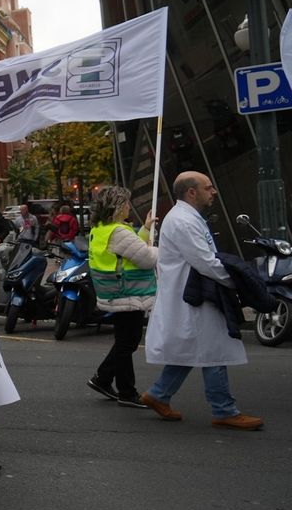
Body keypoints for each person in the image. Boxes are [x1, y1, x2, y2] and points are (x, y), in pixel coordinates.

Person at [140, 172, 263, 430]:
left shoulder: (185, 217)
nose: (213, 191)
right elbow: (205, 261)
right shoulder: (184, 221)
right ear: (192, 192)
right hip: (195, 295)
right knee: (213, 350)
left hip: (193, 294)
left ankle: (159, 394)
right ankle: (224, 410)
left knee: (192, 350)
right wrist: (237, 281)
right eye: (208, 187)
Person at [85, 187, 157, 409]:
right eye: (126, 203)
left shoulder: (101, 229)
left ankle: (103, 378)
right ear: (116, 207)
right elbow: (147, 259)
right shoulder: (118, 232)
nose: (128, 206)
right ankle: (126, 391)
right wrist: (159, 249)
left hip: (114, 292)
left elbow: (129, 249)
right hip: (128, 293)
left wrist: (145, 229)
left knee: (125, 340)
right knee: (128, 342)